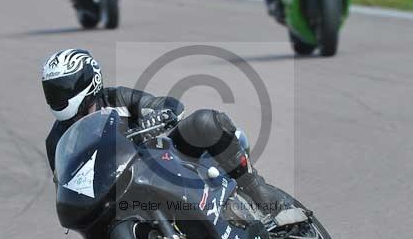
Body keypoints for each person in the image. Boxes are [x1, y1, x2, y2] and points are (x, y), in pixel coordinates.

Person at [42, 49, 282, 216]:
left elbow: (160, 104)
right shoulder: (56, 140)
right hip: (122, 195)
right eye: (52, 90)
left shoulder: (116, 98)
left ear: (88, 81)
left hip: (164, 163)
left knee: (205, 122)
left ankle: (254, 188)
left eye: (64, 87)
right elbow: (64, 185)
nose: (58, 96)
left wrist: (159, 114)